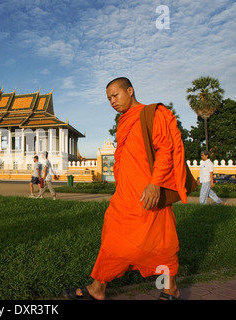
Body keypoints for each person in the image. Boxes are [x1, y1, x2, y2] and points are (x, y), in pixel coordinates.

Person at [64, 77, 187, 301]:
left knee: (161, 243)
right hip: (126, 195)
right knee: (113, 237)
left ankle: (170, 290)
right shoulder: (124, 121)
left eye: (115, 95)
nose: (112, 101)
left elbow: (165, 150)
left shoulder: (151, 114)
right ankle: (98, 287)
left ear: (129, 90)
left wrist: (155, 184)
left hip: (149, 192)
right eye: (108, 98)